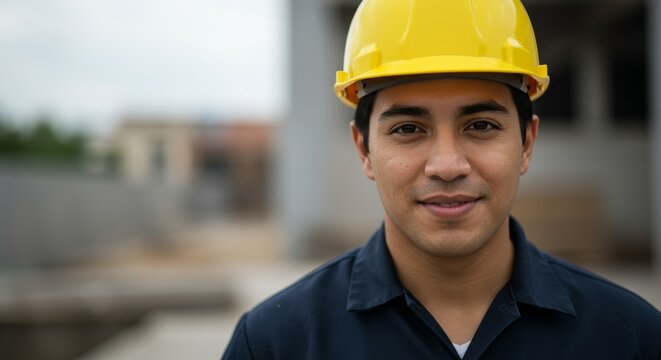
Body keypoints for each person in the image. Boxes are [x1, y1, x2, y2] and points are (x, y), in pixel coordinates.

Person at [222, 0, 661, 358]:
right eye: (408, 129)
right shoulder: (276, 344)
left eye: (481, 126)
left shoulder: (630, 338)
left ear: (526, 143)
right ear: (364, 150)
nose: (447, 165)